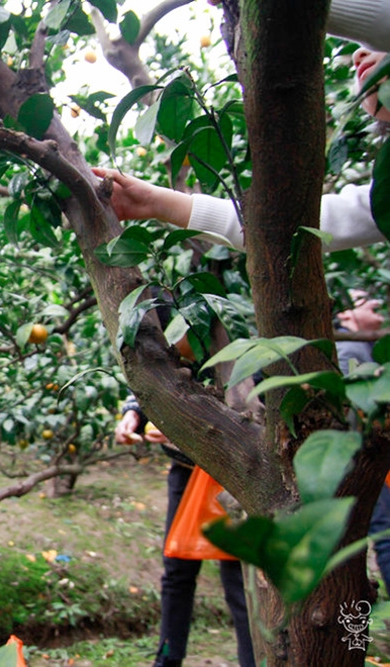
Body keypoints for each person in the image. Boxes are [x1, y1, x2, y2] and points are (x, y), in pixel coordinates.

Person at [93, 5, 390, 253]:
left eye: (375, 47)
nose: (358, 55)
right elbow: (289, 229)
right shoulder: (383, 195)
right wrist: (153, 202)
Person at [115, 316, 255, 667]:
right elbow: (152, 383)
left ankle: (254, 661)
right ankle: (167, 660)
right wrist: (133, 414)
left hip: (228, 475)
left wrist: (190, 431)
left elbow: (247, 413)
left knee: (237, 576)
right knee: (177, 568)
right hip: (185, 472)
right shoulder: (162, 336)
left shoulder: (229, 346)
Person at [335, 290, 390, 589]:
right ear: (345, 313)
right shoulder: (348, 350)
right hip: (359, 454)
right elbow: (350, 410)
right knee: (384, 530)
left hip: (367, 451)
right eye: (365, 299)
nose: (376, 302)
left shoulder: (364, 348)